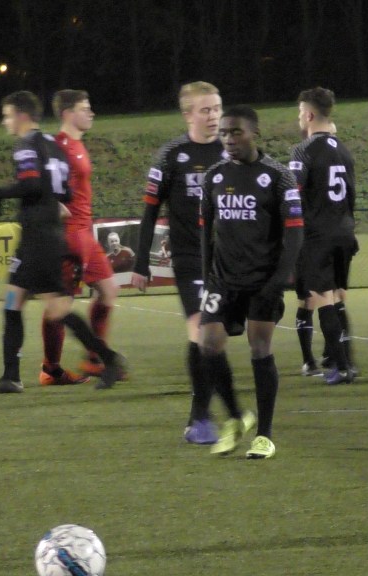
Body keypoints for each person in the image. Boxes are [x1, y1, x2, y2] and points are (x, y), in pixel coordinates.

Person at [0, 91, 124, 393]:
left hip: (39, 240)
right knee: (12, 303)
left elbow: (30, 184)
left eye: (7, 116)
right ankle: (11, 377)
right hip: (42, 235)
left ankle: (108, 359)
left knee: (57, 309)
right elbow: (65, 193)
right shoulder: (54, 146)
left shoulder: (26, 145)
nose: (4, 122)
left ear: (21, 115)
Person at [199, 105, 303, 459]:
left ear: (254, 133)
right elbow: (205, 232)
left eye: (236, 132)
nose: (229, 139)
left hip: (262, 280)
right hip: (222, 279)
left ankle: (265, 435)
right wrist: (206, 277)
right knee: (208, 345)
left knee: (260, 348)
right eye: (224, 133)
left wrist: (278, 282)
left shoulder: (278, 176)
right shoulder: (213, 176)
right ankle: (235, 417)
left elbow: (295, 234)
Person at [131, 81, 226, 444]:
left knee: (217, 340)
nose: (213, 116)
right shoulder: (171, 156)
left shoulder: (232, 151)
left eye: (217, 108)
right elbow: (149, 213)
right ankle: (199, 418)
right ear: (188, 115)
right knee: (202, 331)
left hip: (228, 261)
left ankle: (206, 412)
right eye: (205, 110)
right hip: (190, 259)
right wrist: (141, 263)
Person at [43, 89, 119, 384]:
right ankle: (51, 368)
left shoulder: (77, 144)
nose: (91, 113)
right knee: (60, 304)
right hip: (69, 234)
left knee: (108, 290)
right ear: (67, 113)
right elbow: (41, 183)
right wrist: (52, 206)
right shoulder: (58, 146)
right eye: (85, 108)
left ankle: (94, 359)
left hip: (85, 231)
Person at [288, 87, 358, 385]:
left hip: (317, 235)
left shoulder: (303, 151)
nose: (299, 117)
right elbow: (351, 196)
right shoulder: (344, 150)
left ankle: (340, 368)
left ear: (309, 115)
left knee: (321, 298)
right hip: (345, 232)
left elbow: (293, 195)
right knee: (338, 296)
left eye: (300, 112)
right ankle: (347, 361)